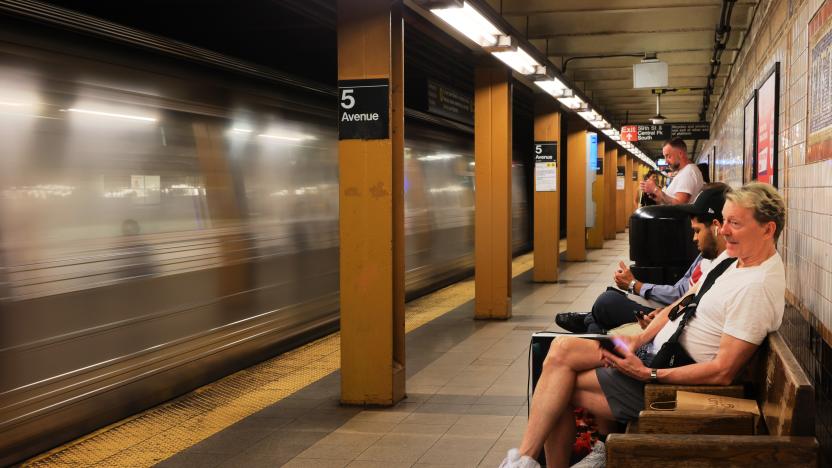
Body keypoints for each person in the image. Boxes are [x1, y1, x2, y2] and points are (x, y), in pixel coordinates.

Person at [501, 182, 786, 468]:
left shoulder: (757, 286)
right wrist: (640, 339)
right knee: (560, 350)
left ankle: (524, 462)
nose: (723, 231)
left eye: (734, 223)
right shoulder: (732, 261)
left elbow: (723, 372)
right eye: (724, 221)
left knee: (556, 387)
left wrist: (649, 372)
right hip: (653, 353)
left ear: (767, 229)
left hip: (671, 381)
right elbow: (683, 301)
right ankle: (524, 460)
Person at [556, 184, 731, 334]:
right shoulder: (705, 255)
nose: (693, 238)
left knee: (605, 303)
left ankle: (591, 320)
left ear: (716, 227)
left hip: (674, 317)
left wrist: (636, 286)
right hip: (669, 310)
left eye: (697, 231)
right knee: (605, 304)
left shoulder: (722, 265)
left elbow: (681, 296)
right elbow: (681, 288)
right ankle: (592, 322)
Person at [640, 138, 703, 205]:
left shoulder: (689, 172)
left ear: (680, 154)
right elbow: (672, 201)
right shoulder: (683, 172)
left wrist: (655, 190)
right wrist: (659, 198)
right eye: (665, 157)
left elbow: (680, 205)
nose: (666, 161)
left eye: (668, 156)